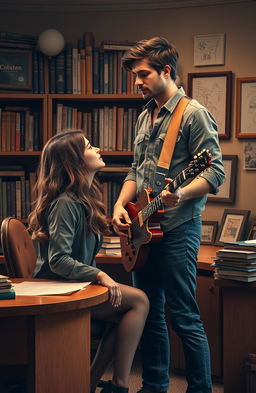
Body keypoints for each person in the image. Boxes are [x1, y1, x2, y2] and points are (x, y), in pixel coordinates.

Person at [112, 37, 225, 393]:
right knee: (149, 313)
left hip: (178, 228)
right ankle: (154, 385)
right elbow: (135, 170)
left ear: (166, 70)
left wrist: (182, 193)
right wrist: (118, 205)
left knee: (184, 316)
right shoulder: (145, 115)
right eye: (134, 75)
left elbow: (216, 172)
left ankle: (200, 388)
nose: (137, 82)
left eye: (143, 74)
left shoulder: (193, 114)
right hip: (143, 231)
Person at [28, 130, 149, 393]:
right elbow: (58, 260)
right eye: (89, 146)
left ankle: (91, 383)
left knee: (126, 309)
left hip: (71, 287)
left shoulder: (81, 200)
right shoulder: (65, 203)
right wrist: (101, 276)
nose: (97, 149)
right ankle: (118, 386)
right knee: (139, 300)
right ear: (74, 161)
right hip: (57, 292)